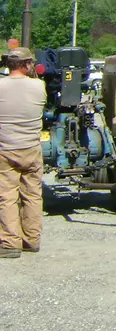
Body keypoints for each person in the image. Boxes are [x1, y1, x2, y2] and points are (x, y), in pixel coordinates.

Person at [0, 47, 46, 258]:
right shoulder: (39, 86)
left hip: (5, 148)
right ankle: (31, 240)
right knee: (33, 195)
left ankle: (10, 243)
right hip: (31, 149)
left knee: (7, 196)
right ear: (27, 64)